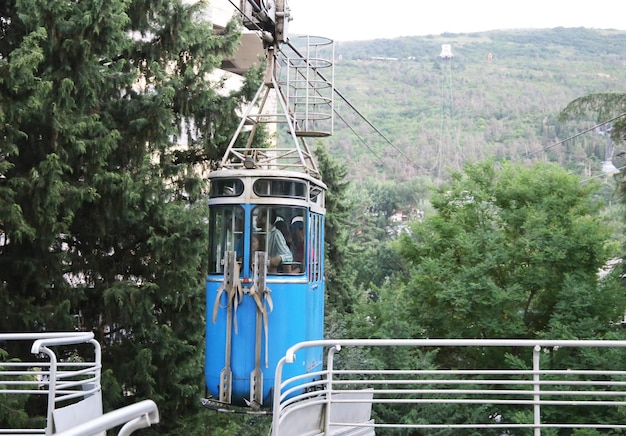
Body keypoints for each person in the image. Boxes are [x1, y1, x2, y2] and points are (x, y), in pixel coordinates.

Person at [256, 208, 293, 272]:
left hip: (270, 271)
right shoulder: (258, 234)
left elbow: (288, 255)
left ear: (265, 219)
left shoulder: (276, 234)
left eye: (258, 216)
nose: (256, 220)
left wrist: (279, 258)